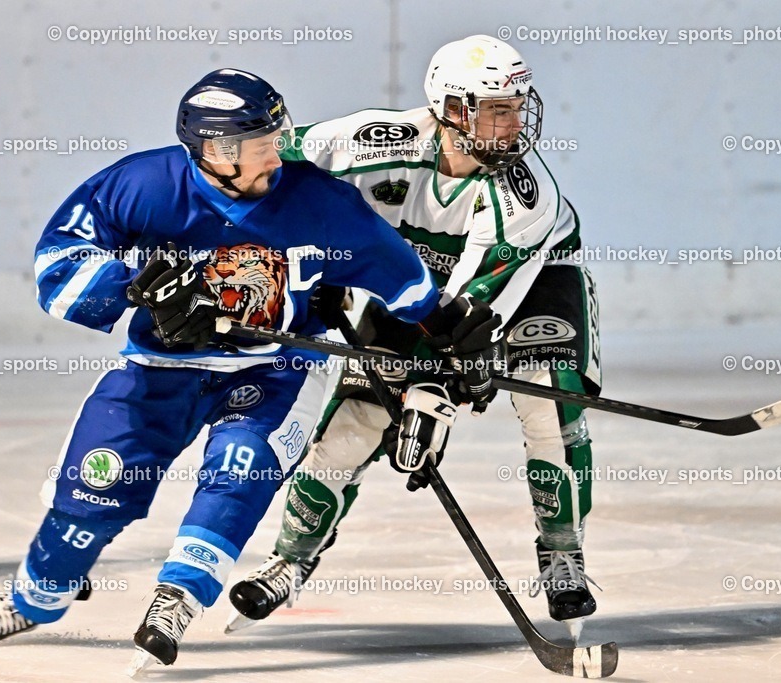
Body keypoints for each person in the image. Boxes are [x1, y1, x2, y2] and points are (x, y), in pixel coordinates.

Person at [0, 68, 500, 674]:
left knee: (239, 470)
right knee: (95, 485)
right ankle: (38, 598)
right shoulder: (146, 185)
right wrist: (130, 287)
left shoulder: (319, 201)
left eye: (276, 135)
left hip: (278, 366)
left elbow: (406, 283)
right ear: (216, 152)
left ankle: (176, 599)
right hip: (161, 364)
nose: (276, 154)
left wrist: (452, 333)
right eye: (260, 145)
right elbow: (58, 260)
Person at [228, 35, 602, 639]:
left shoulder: (526, 201)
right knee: (353, 426)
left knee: (548, 402)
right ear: (453, 110)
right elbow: (266, 164)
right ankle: (290, 561)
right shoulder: (376, 142)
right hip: (406, 280)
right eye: (496, 108)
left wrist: (432, 395)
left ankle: (563, 553)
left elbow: (466, 325)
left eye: (516, 107)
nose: (513, 124)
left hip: (529, 282)